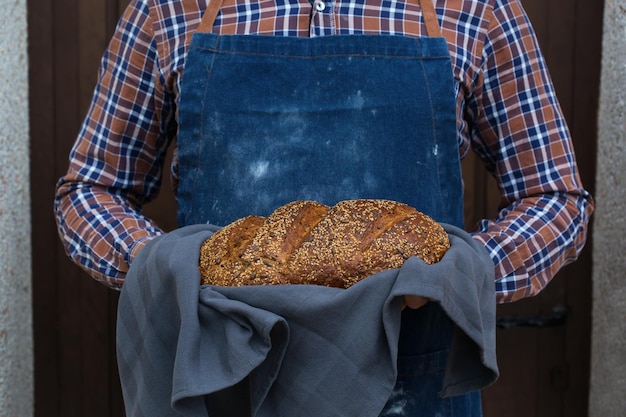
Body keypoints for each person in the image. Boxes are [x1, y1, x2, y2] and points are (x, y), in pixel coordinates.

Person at [54, 0, 593, 416]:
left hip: (413, 372)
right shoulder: (170, 9)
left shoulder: (476, 8)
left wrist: (454, 282)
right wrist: (172, 274)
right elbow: (90, 190)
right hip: (228, 374)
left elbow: (554, 199)